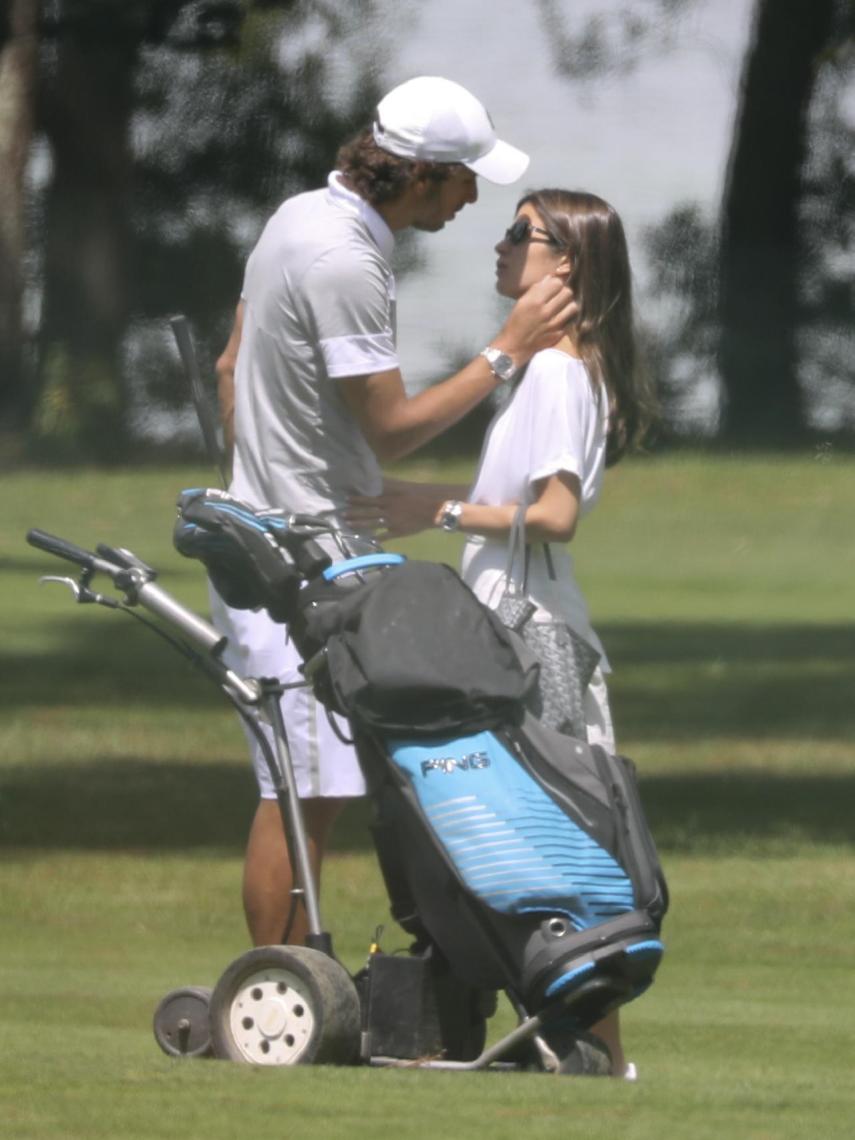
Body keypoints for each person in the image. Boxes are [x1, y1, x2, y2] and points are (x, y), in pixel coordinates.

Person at [211, 78, 576, 950]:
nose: (472, 199)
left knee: (316, 783)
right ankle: (281, 991)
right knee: (302, 791)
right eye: (464, 180)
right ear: (420, 175)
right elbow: (393, 431)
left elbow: (230, 369)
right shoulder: (345, 260)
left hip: (277, 533)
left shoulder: (298, 216)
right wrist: (506, 348)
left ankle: (303, 980)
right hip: (297, 555)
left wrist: (264, 465)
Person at [347, 189, 656, 1076]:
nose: (499, 245)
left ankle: (600, 1056)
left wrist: (431, 509)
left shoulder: (557, 372)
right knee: (531, 840)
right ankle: (562, 1049)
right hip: (514, 626)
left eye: (520, 234)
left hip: (531, 635)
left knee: (563, 843)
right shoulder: (544, 370)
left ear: (564, 263)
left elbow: (555, 516)